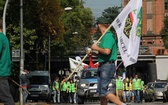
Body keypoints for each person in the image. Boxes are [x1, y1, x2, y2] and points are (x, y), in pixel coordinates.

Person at [89, 16, 127, 105]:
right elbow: (104, 53)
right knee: (101, 92)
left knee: (103, 90)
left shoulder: (108, 36)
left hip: (107, 66)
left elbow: (107, 51)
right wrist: (93, 53)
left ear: (99, 25)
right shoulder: (105, 37)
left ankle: (122, 104)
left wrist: (96, 47)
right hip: (103, 64)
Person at [0, 19, 15, 105]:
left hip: (0, 73)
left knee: (7, 99)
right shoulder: (4, 38)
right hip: (3, 72)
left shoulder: (0, 38)